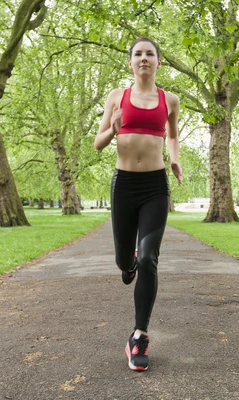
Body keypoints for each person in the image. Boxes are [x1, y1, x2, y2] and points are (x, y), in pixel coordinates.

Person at [94, 37, 182, 372]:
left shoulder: (169, 100)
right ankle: (126, 262)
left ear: (159, 62)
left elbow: (172, 135)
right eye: (138, 54)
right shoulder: (117, 97)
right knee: (125, 260)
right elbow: (98, 143)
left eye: (150, 54)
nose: (144, 58)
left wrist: (175, 160)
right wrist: (112, 129)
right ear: (130, 62)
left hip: (155, 187)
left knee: (148, 258)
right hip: (124, 186)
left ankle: (139, 335)